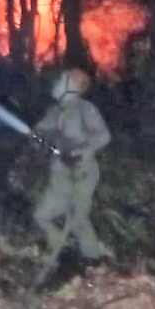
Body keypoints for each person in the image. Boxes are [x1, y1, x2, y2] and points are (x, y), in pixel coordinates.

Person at [31, 68, 111, 285]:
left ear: (73, 87)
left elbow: (104, 136)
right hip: (59, 175)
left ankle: (93, 262)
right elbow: (39, 132)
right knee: (42, 215)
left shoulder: (86, 110)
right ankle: (64, 250)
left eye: (62, 80)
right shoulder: (54, 111)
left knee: (78, 220)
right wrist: (39, 139)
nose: (57, 83)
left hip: (82, 173)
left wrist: (82, 152)